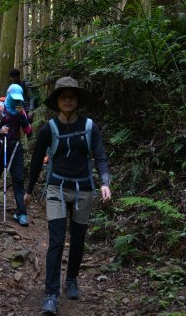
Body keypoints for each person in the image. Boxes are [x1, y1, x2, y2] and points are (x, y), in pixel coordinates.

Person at [24, 76, 112, 315]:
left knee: (78, 238)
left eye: (71, 96)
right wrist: (29, 190)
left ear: (77, 100)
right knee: (56, 240)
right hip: (56, 189)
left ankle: (71, 278)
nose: (68, 100)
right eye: (63, 96)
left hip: (84, 189)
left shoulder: (89, 127)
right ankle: (51, 294)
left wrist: (104, 182)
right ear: (57, 101)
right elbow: (35, 162)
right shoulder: (48, 129)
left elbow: (101, 156)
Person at [0, 84, 32, 226]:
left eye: (19, 99)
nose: (17, 102)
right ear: (8, 95)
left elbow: (29, 132)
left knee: (18, 178)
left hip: (15, 147)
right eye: (14, 99)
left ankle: (21, 213)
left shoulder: (20, 111)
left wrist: (23, 118)